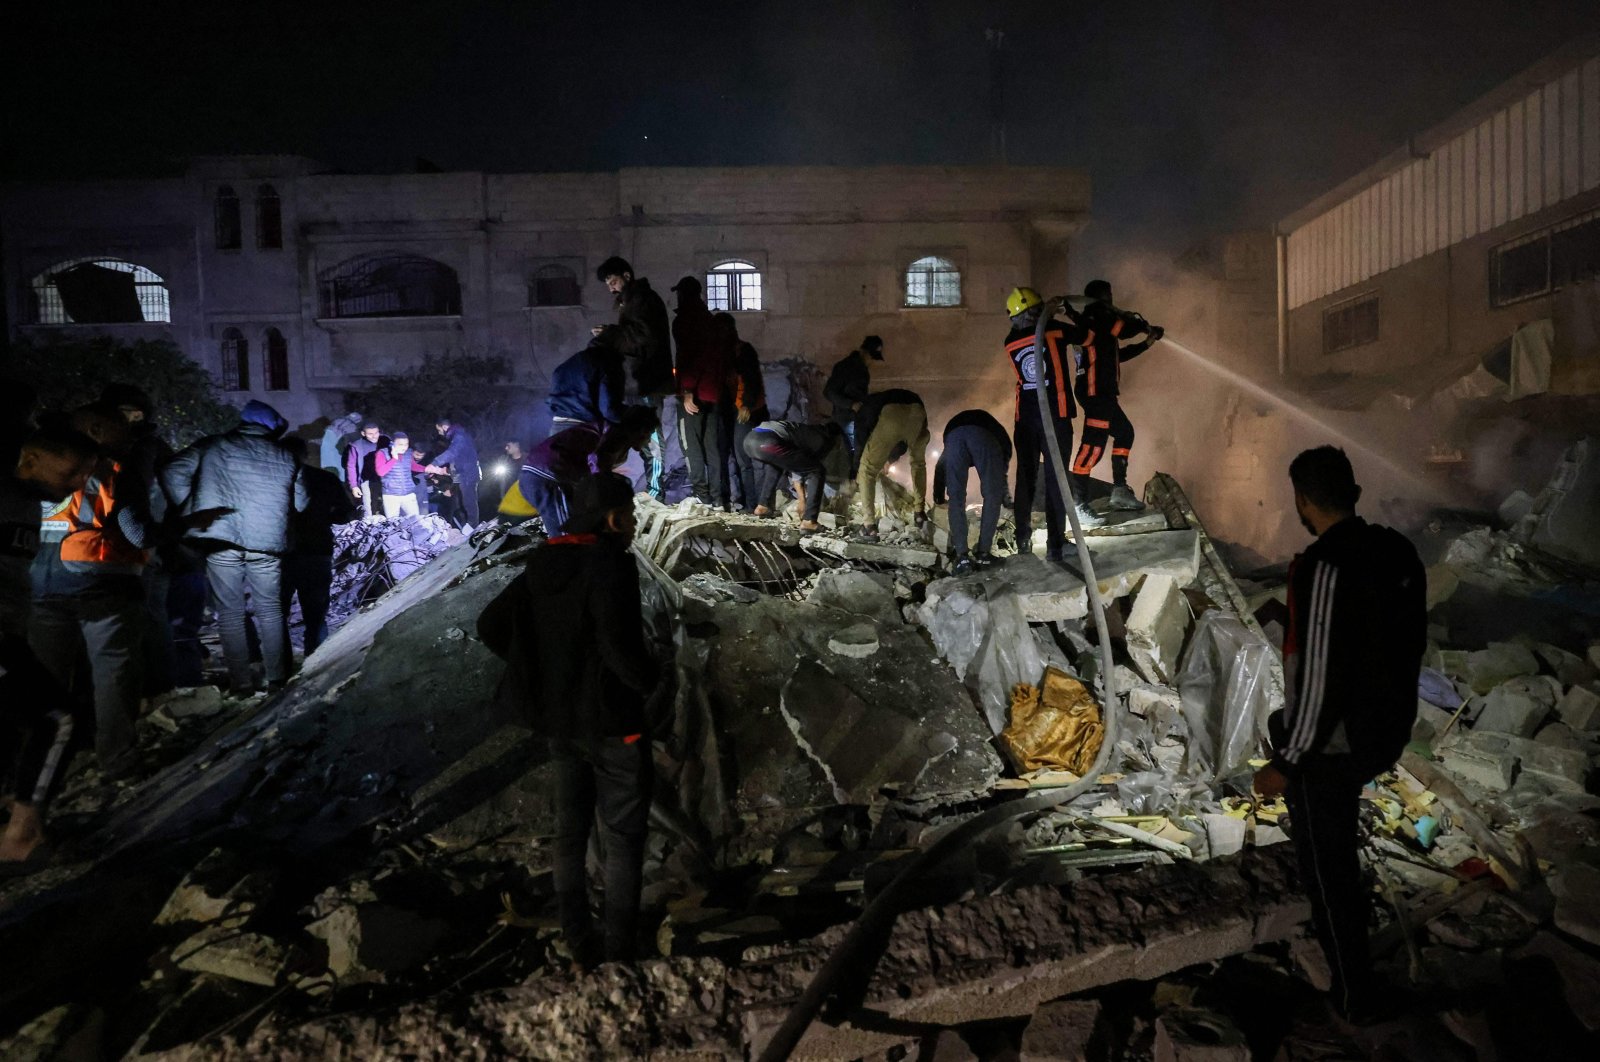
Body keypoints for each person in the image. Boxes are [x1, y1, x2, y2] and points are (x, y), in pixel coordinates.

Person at [1252, 446, 1425, 1024]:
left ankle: (1355, 998)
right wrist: (1290, 613)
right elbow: (1383, 638)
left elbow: (1322, 680)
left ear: (1303, 499)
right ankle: (1354, 975)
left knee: (1329, 872)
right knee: (1336, 855)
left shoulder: (1324, 565)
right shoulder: (1396, 551)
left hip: (1336, 744)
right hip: (1387, 727)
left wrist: (1288, 764)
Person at [476, 471, 663, 967]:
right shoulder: (611, 565)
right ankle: (620, 951)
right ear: (612, 517)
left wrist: (541, 666)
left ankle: (579, 944)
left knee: (569, 833)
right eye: (630, 514)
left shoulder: (546, 559)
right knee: (622, 838)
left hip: (560, 723)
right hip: (611, 722)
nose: (635, 523)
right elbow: (620, 649)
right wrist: (650, 679)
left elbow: (490, 624)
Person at [161, 400, 309, 696]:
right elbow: (301, 503)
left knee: (230, 612)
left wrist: (192, 507)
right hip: (267, 541)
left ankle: (241, 684)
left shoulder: (213, 445)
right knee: (270, 610)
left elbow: (172, 471)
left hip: (220, 536)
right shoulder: (286, 457)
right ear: (273, 428)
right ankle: (278, 681)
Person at [2, 424, 97, 861]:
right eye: (72, 471)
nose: (79, 484)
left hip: (10, 634)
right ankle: (22, 837)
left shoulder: (26, 502)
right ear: (33, 458)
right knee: (57, 719)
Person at [1004, 287, 1091, 559]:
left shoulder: (1010, 340)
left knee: (1025, 479)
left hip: (1025, 420)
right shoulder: (1053, 329)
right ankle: (1056, 545)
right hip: (1055, 416)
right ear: (1035, 311)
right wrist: (1069, 312)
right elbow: (1088, 337)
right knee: (1057, 480)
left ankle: (1023, 540)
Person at [1068, 279, 1164, 523]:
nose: (1113, 299)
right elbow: (1125, 328)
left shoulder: (1096, 323)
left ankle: (1119, 490)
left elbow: (1117, 356)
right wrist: (1141, 324)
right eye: (1109, 295)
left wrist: (1147, 342)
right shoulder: (1097, 317)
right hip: (1095, 392)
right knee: (1092, 447)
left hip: (1104, 393)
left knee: (1124, 433)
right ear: (1102, 297)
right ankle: (1078, 505)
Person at [597, 256, 677, 499]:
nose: (610, 287)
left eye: (613, 280)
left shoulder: (643, 299)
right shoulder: (631, 301)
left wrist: (610, 333)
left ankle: (655, 493)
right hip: (633, 383)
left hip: (646, 382)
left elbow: (643, 337)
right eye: (607, 283)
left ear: (626, 276)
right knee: (636, 438)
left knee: (651, 439)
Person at [518, 409, 657, 536]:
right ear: (640, 430)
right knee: (568, 536)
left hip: (540, 475)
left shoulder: (606, 430)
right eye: (648, 434)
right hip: (547, 478)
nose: (649, 440)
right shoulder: (615, 434)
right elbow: (598, 464)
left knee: (574, 529)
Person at [281, 436, 357, 658]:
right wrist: (323, 516)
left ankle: (282, 666)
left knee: (276, 615)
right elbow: (345, 514)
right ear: (305, 453)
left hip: (282, 554)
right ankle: (315, 664)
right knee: (316, 615)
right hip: (317, 550)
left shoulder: (271, 482)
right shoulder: (325, 479)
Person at [671, 276, 731, 507]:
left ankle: (701, 497)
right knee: (712, 448)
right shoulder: (709, 319)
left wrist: (687, 390)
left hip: (694, 394)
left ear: (683, 294)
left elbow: (690, 357)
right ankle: (718, 500)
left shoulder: (687, 320)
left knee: (691, 446)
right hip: (713, 394)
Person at [932, 410, 1012, 575]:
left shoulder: (953, 436)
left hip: (953, 436)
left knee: (956, 498)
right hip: (983, 436)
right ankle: (983, 554)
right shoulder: (1002, 442)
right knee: (991, 496)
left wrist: (938, 494)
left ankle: (962, 558)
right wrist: (1003, 494)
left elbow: (941, 465)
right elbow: (998, 477)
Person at [851, 388, 929, 539]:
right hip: (918, 412)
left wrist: (855, 469)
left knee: (867, 469)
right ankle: (919, 513)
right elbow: (902, 441)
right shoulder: (882, 397)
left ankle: (869, 526)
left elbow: (860, 440)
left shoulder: (864, 409)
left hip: (891, 414)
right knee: (918, 464)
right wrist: (889, 459)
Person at [742, 419, 844, 532]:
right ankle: (809, 521)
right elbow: (801, 472)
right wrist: (802, 500)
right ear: (836, 438)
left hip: (749, 441)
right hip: (768, 442)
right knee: (817, 471)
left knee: (776, 465)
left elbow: (795, 465)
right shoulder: (821, 439)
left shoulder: (804, 431)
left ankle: (763, 506)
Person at [718, 313, 768, 512]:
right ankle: (746, 500)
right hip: (733, 409)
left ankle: (752, 504)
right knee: (738, 459)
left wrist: (745, 405)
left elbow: (751, 378)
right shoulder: (725, 353)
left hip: (746, 410)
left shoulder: (743, 351)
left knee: (743, 459)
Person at [549, 327, 626, 430]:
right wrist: (634, 416)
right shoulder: (608, 362)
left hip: (557, 428)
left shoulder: (568, 364)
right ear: (619, 344)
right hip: (582, 430)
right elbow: (609, 410)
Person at [824, 335, 882, 469]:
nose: (871, 361)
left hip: (857, 419)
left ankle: (855, 480)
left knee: (859, 452)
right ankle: (853, 482)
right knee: (854, 453)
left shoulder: (862, 370)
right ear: (863, 351)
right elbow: (829, 392)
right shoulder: (845, 367)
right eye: (871, 356)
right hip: (845, 418)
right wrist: (851, 404)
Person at [425, 414, 481, 525]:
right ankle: (466, 527)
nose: (439, 433)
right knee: (460, 503)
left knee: (468, 503)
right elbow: (457, 457)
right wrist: (449, 470)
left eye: (439, 430)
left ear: (444, 427)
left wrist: (434, 463)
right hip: (462, 474)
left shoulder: (459, 435)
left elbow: (453, 452)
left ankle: (473, 528)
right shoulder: (457, 436)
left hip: (468, 474)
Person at [375, 433, 427, 519]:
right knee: (393, 523)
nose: (404, 447)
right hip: (391, 495)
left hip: (408, 494)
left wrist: (427, 469)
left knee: (416, 521)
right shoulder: (382, 453)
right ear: (392, 443)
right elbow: (380, 472)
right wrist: (394, 459)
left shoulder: (408, 453)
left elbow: (412, 466)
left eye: (406, 444)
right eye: (400, 444)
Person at [344, 422, 383, 519]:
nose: (374, 436)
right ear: (363, 433)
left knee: (382, 504)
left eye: (376, 433)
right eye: (370, 434)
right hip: (365, 480)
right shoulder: (356, 446)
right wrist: (353, 486)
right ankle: (368, 524)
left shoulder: (385, 442)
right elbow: (351, 466)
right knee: (367, 505)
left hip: (384, 478)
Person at [319, 411, 363, 477]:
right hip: (335, 439)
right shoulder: (351, 426)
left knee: (330, 454)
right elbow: (351, 435)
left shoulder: (339, 420)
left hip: (331, 436)